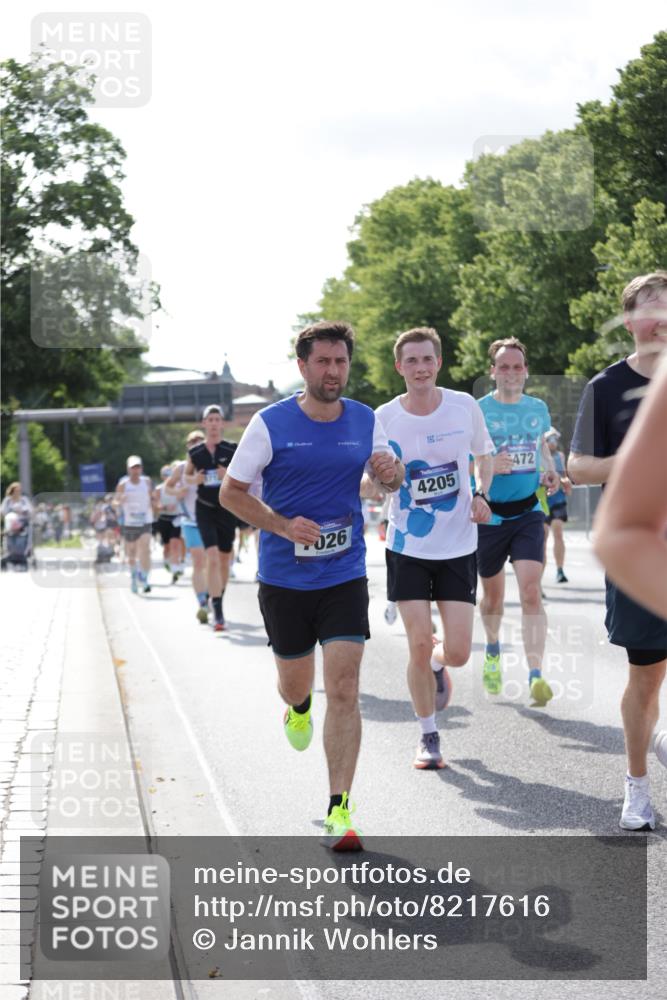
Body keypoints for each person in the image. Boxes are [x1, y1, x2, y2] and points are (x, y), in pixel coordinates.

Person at [220, 321, 403, 849]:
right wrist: (281, 525)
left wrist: (391, 472)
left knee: (344, 688)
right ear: (302, 367)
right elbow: (232, 493)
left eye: (340, 362)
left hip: (344, 570)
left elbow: (388, 478)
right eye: (322, 362)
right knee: (298, 685)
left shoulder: (365, 419)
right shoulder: (270, 423)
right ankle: (297, 707)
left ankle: (339, 809)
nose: (333, 371)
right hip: (284, 576)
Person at [569, 271, 667, 831]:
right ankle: (636, 786)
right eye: (650, 307)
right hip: (641, 553)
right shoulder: (605, 388)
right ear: (630, 320)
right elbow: (579, 468)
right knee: (647, 680)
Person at [371, 327, 494, 770]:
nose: (420, 368)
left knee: (456, 651)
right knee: (418, 644)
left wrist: (482, 494)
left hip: (458, 544)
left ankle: (441, 665)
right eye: (411, 361)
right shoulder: (382, 418)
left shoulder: (464, 406)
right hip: (407, 544)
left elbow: (484, 455)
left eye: (427, 359)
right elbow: (370, 481)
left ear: (437, 363)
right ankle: (428, 736)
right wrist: (383, 480)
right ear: (399, 367)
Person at [477, 338, 560, 705]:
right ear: (493, 371)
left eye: (517, 366)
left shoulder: (537, 408)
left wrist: (552, 472)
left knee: (530, 592)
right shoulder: (477, 410)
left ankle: (535, 674)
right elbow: (461, 461)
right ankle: (493, 649)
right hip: (490, 516)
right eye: (504, 366)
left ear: (526, 371)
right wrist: (488, 466)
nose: (511, 373)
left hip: (528, 511)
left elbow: (542, 448)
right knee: (493, 598)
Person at [184, 406, 237, 631]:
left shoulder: (232, 449)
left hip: (226, 508)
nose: (214, 423)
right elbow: (187, 477)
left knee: (224, 560)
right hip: (204, 508)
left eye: (217, 419)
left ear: (222, 424)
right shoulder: (195, 452)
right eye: (210, 420)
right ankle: (217, 610)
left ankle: (218, 597)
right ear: (204, 424)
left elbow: (245, 476)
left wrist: (228, 476)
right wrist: (195, 479)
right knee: (212, 557)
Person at [166, 430, 210, 623]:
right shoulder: (182, 468)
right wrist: (178, 491)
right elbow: (167, 487)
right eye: (192, 441)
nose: (196, 443)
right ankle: (202, 601)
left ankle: (211, 595)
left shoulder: (211, 466)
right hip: (190, 521)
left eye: (200, 441)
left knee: (212, 563)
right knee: (199, 562)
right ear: (187, 445)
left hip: (212, 521)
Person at [114, 456, 153, 594]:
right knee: (132, 553)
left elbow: (152, 497)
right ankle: (134, 576)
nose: (136, 470)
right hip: (130, 522)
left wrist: (155, 504)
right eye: (133, 467)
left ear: (141, 468)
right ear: (128, 469)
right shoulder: (123, 484)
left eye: (138, 467)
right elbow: (115, 502)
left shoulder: (147, 481)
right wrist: (120, 501)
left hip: (145, 520)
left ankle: (144, 577)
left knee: (145, 548)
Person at [542, 428, 572, 584]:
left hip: (558, 500)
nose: (553, 442)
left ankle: (560, 570)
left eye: (555, 439)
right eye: (549, 439)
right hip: (543, 502)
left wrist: (567, 483)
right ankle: (538, 581)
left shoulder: (560, 456)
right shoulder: (539, 456)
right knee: (543, 538)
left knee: (558, 533)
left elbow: (565, 476)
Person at [153, 464, 184, 582]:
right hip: (164, 519)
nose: (168, 476)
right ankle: (167, 561)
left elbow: (183, 498)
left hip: (177, 518)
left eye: (170, 474)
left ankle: (175, 568)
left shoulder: (178, 486)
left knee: (175, 544)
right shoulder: (159, 489)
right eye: (165, 474)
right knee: (167, 547)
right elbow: (156, 505)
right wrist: (165, 507)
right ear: (162, 476)